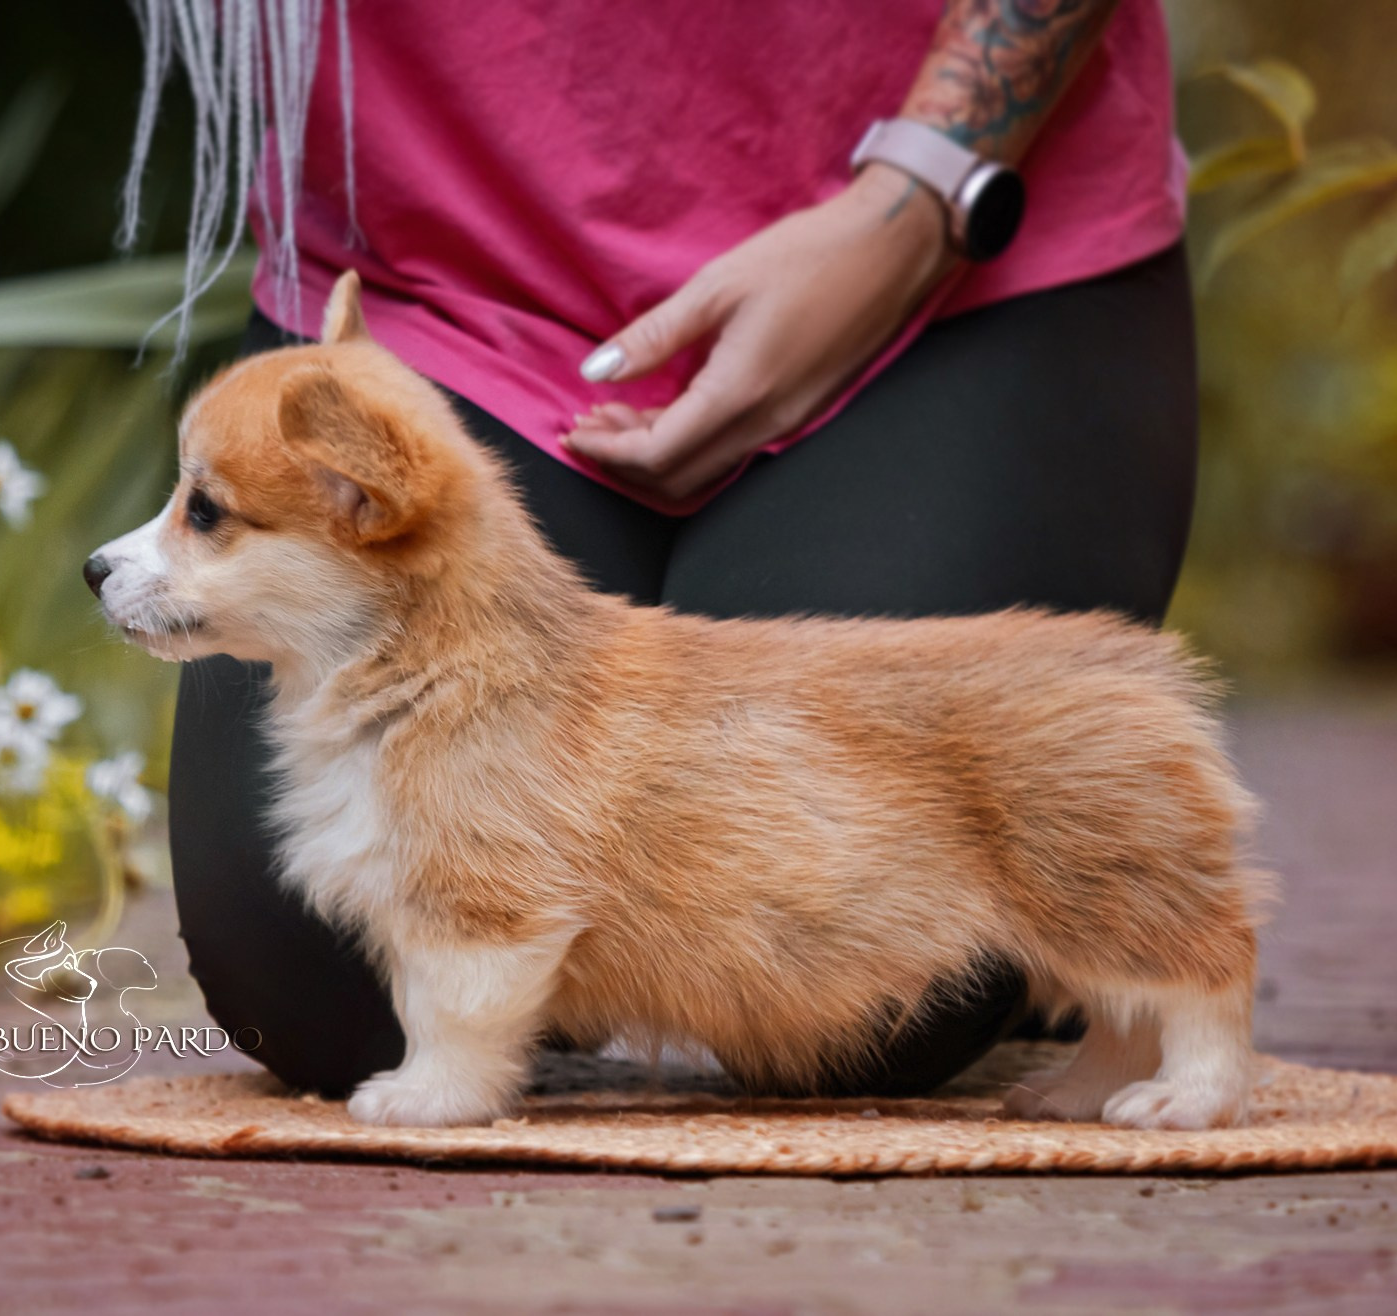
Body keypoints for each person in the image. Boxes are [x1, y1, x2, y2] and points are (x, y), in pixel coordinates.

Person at [148, 0, 1197, 1097]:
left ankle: (1115, 973)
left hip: (960, 253)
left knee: (871, 996)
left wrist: (919, 193)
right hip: (436, 273)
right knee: (324, 985)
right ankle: (581, 964)